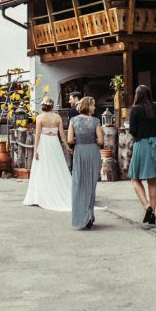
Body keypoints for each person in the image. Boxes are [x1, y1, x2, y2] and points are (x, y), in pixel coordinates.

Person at [127, 84, 156, 225]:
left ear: (137, 95)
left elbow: (132, 131)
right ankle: (153, 212)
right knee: (152, 181)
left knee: (135, 179)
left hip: (142, 145)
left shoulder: (135, 109)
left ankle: (147, 206)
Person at [23, 96, 72, 211]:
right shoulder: (57, 117)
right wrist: (67, 146)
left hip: (44, 143)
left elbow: (38, 135)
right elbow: (62, 134)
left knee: (43, 168)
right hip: (54, 143)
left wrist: (35, 150)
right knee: (56, 167)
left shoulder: (40, 117)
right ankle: (57, 192)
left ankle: (40, 196)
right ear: (52, 105)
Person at [68, 96, 103, 229]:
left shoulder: (73, 120)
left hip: (80, 152)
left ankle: (80, 215)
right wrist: (92, 140)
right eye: (93, 105)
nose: (94, 108)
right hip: (92, 151)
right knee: (91, 184)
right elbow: (101, 141)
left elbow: (70, 140)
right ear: (88, 106)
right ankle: (89, 215)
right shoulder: (96, 121)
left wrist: (80, 139)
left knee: (79, 183)